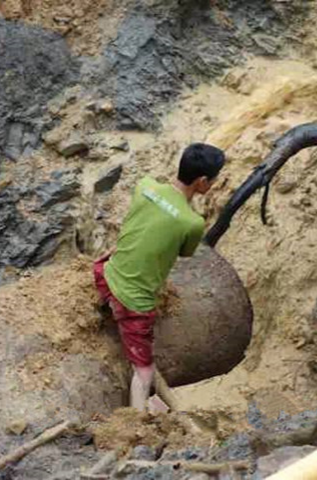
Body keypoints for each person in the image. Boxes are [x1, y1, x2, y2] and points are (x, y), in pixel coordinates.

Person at [94, 143, 226, 411]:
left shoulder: (145, 186)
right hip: (132, 301)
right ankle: (135, 425)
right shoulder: (192, 223)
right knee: (143, 371)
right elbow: (185, 254)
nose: (214, 183)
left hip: (104, 274)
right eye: (214, 179)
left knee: (114, 251)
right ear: (202, 181)